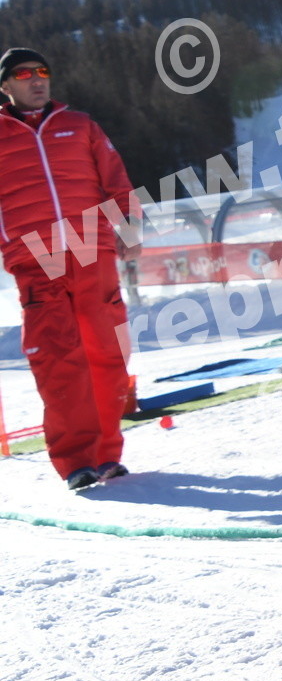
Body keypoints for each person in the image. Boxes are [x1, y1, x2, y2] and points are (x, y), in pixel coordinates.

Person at [0, 47, 137, 491]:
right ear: (5, 86)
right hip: (35, 259)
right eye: (24, 74)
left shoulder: (80, 125)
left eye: (42, 71)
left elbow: (115, 178)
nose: (37, 80)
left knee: (107, 355)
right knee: (58, 362)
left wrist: (129, 226)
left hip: (91, 250)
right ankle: (77, 460)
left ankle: (107, 455)